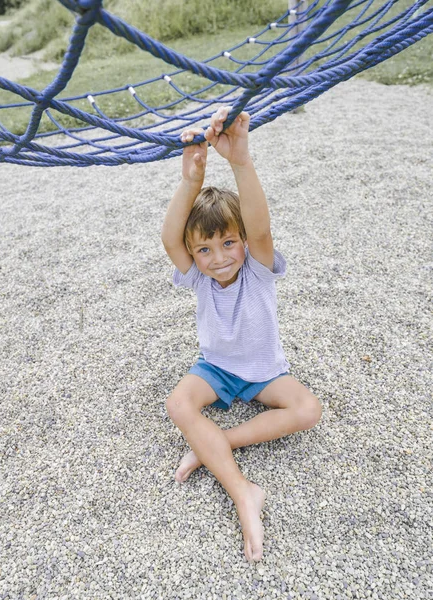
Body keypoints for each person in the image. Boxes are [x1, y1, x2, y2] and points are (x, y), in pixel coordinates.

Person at [161, 106, 322, 563]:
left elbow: (261, 226)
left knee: (308, 409)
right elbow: (171, 239)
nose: (218, 258)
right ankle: (242, 491)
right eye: (205, 249)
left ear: (244, 243)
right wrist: (190, 181)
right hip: (215, 369)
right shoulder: (199, 277)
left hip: (265, 372)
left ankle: (215, 444)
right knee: (178, 403)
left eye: (228, 242)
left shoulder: (257, 268)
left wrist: (240, 160)